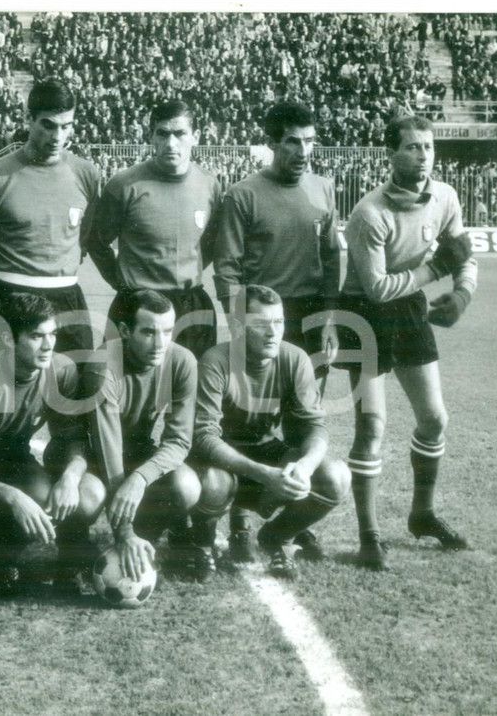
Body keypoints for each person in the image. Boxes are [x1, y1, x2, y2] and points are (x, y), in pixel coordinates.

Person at [336, 114, 476, 571]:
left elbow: (463, 255)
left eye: (428, 147)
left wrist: (462, 293)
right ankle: (369, 535)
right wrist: (437, 273)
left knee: (435, 418)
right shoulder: (368, 213)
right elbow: (376, 288)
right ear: (391, 154)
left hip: (409, 307)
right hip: (364, 314)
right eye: (412, 147)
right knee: (372, 427)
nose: (423, 156)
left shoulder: (446, 197)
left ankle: (422, 514)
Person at [212, 101, 341, 566]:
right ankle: (239, 522)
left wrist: (328, 319)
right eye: (293, 140)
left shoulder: (324, 189)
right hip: (259, 316)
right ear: (272, 143)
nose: (303, 149)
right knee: (244, 417)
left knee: (303, 419)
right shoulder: (242, 194)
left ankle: (293, 523)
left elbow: (332, 263)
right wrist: (237, 321)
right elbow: (226, 267)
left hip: (305, 318)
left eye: (310, 140)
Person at [0, 293, 106, 596]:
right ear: (8, 339)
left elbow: (73, 437)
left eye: (52, 334)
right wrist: (13, 497)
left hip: (13, 456)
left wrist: (70, 476)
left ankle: (2, 561)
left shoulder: (62, 370)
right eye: (36, 336)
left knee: (54, 492)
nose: (48, 345)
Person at [191, 285, 351, 580]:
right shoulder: (215, 361)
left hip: (264, 450)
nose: (273, 333)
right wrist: (264, 474)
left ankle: (277, 537)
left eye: (278, 323)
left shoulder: (295, 358)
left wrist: (303, 466)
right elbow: (204, 437)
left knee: (335, 476)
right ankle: (200, 543)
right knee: (213, 482)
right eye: (262, 325)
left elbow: (315, 427)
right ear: (238, 327)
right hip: (221, 460)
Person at [84, 289, 231, 583]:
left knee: (186, 485)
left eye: (167, 331)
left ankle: (145, 538)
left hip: (138, 451)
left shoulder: (181, 361)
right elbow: (107, 447)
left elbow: (178, 440)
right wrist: (122, 529)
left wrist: (140, 478)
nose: (160, 343)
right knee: (87, 497)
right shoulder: (103, 367)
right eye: (149, 332)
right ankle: (74, 549)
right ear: (125, 331)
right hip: (92, 456)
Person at [0, 79, 101, 362]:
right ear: (28, 118)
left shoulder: (86, 174)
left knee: (75, 392)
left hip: (66, 296)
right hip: (8, 296)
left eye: (66, 126)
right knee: (1, 394)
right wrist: (8, 287)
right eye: (48, 125)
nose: (57, 136)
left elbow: (84, 239)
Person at [85, 100, 221, 360]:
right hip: (136, 304)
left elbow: (212, 242)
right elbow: (97, 241)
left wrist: (181, 269)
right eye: (162, 133)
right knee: (126, 388)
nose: (171, 143)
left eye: (180, 133)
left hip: (190, 303)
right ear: (152, 137)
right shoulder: (124, 185)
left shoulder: (209, 185)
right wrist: (122, 283)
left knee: (191, 388)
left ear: (196, 136)